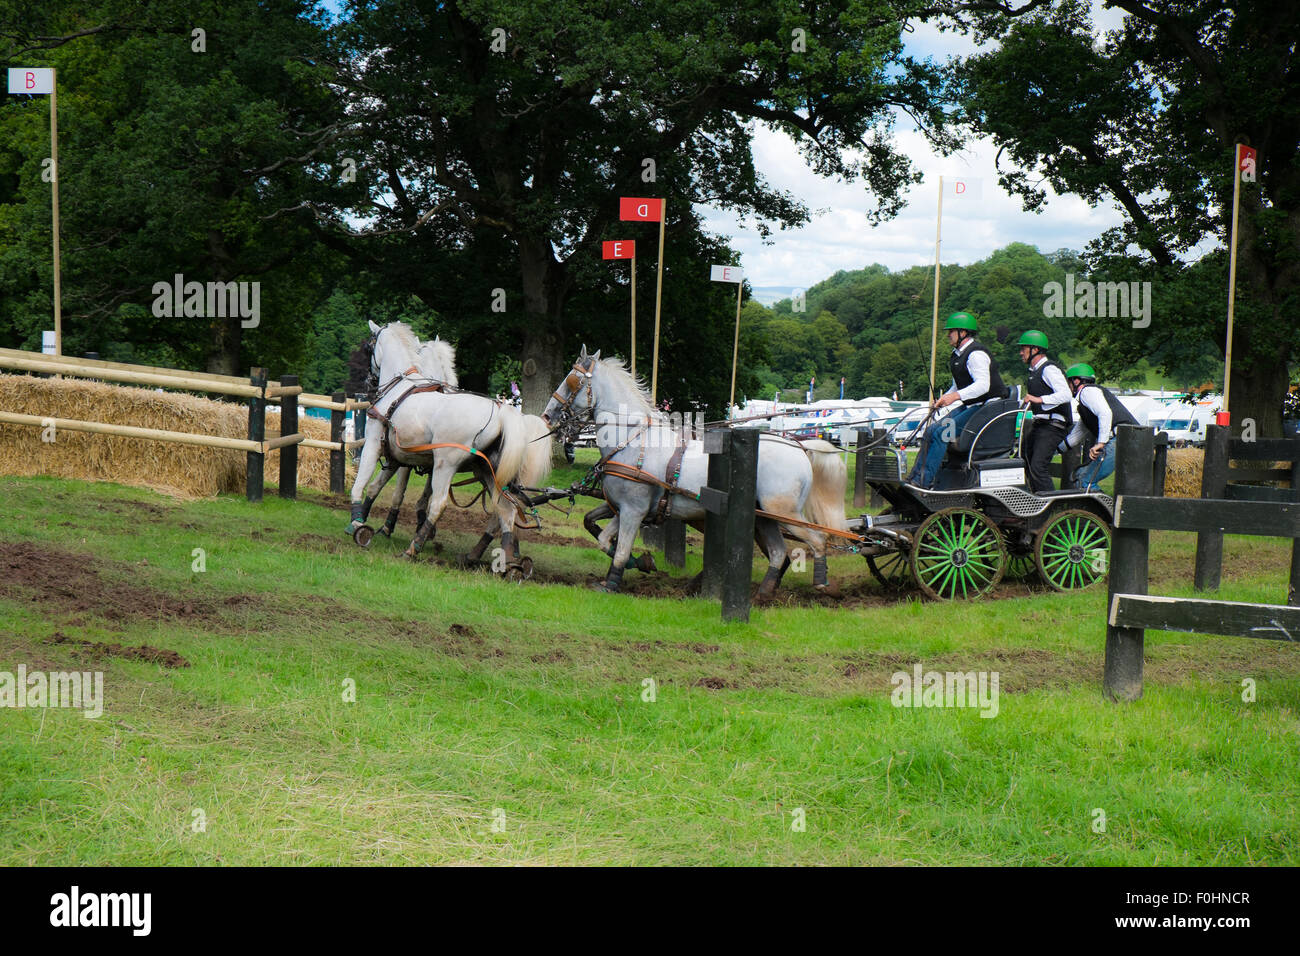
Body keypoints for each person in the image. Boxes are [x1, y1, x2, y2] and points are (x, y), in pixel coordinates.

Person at [911, 311, 1007, 488]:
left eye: (951, 331)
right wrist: (944, 398)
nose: (948, 335)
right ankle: (915, 477)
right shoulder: (958, 355)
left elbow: (983, 386)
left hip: (987, 408)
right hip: (972, 406)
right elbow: (957, 386)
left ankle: (924, 482)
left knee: (941, 434)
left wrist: (954, 397)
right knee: (931, 430)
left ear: (963, 332)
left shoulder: (976, 354)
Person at [1059, 364, 1139, 490]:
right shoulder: (1086, 407)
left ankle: (1101, 510)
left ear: (1076, 381)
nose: (1067, 387)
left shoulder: (1087, 391)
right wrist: (1053, 451)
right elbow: (1074, 438)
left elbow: (1105, 413)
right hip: (1127, 437)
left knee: (1086, 481)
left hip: (1123, 438)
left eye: (1068, 383)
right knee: (1080, 475)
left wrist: (1101, 443)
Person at [1017, 330, 1073, 493]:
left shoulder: (1049, 369)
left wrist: (1039, 399)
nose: (1021, 352)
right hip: (1041, 424)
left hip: (1053, 425)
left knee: (1038, 467)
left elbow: (1066, 395)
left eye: (1024, 348)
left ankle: (1049, 509)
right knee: (1024, 462)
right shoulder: (1034, 372)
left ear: (1035, 350)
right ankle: (1030, 504)